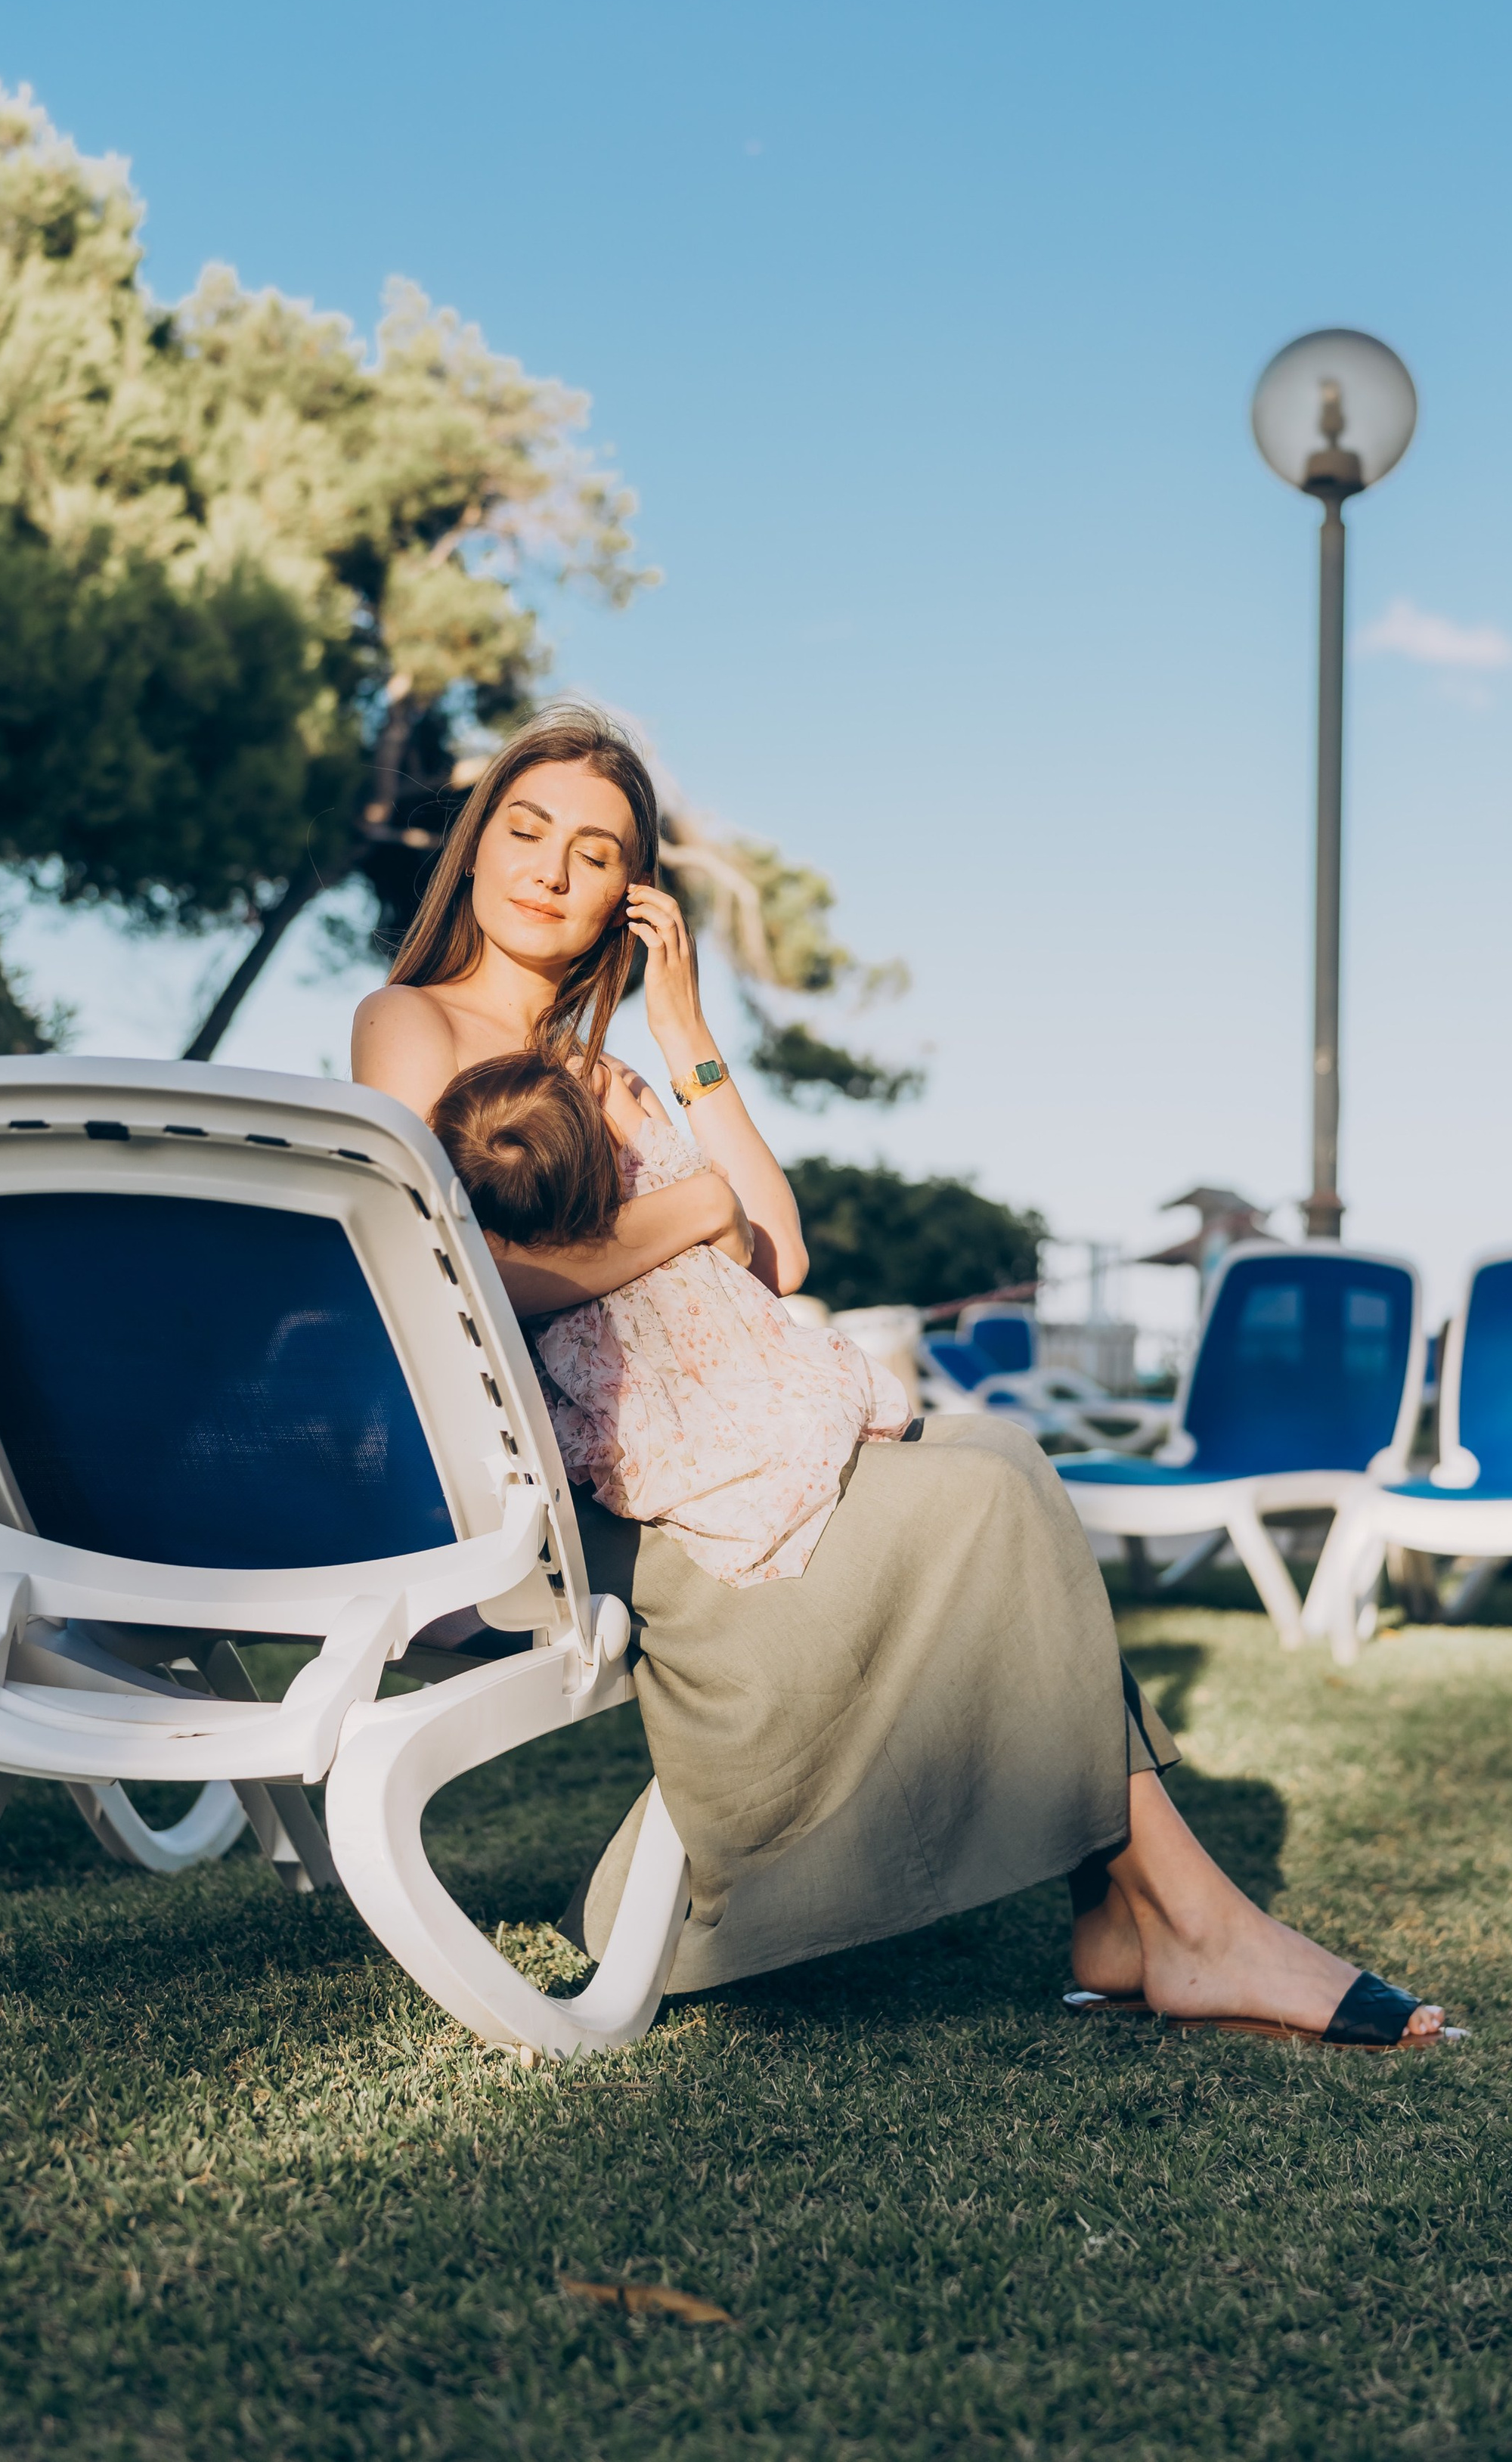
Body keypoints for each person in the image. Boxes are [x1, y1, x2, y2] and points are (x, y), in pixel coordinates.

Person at [353, 706, 1452, 2047]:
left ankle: (1140, 1918)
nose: (550, 870)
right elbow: (455, 1279)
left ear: (623, 904)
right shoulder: (411, 1025)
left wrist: (688, 1033)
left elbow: (782, 1248)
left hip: (723, 1453)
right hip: (616, 1498)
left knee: (997, 1453)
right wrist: (687, 1215)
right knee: (989, 1493)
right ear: (472, 850)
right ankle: (1190, 1922)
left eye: (594, 854)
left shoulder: (616, 1071)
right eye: (524, 832)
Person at [432, 1051, 912, 1586]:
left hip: (669, 1475)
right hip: (770, 1407)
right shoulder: (656, 1195)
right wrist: (614, 1094)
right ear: (596, 1158)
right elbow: (707, 1194)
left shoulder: (544, 1312)